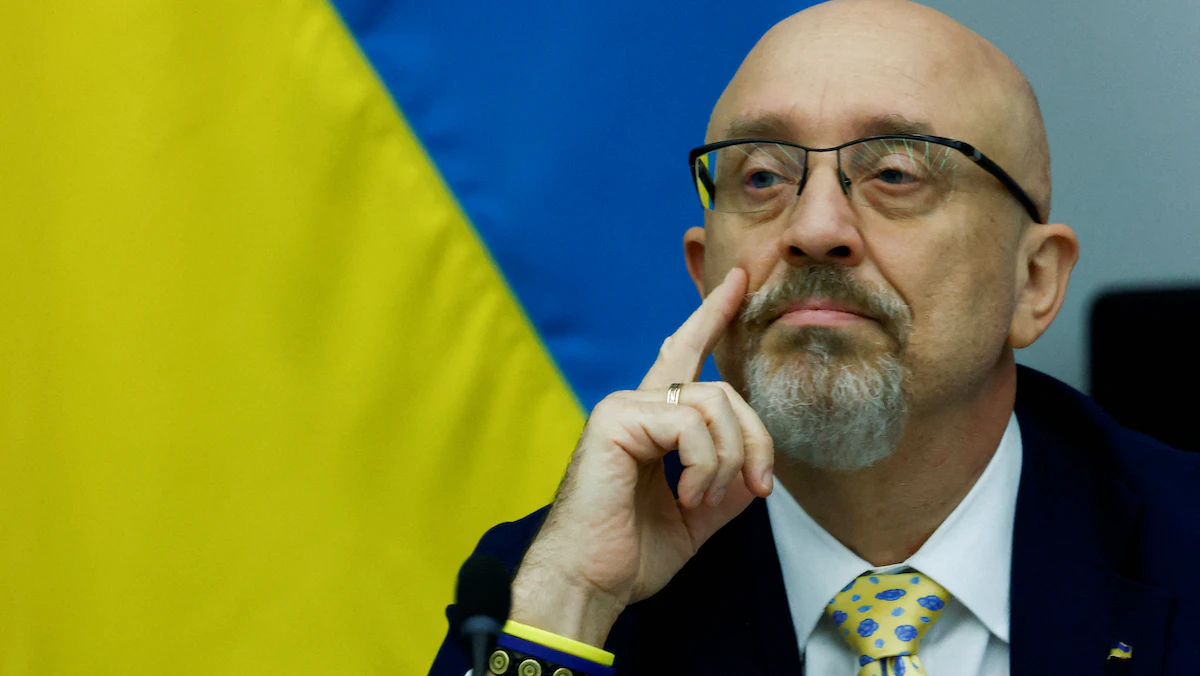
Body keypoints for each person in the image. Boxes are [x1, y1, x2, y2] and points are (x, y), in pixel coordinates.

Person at [430, 0, 1200, 673]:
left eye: (895, 173)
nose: (815, 227)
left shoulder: (1185, 542)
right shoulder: (544, 586)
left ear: (1033, 282)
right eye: (762, 177)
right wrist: (570, 600)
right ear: (704, 274)